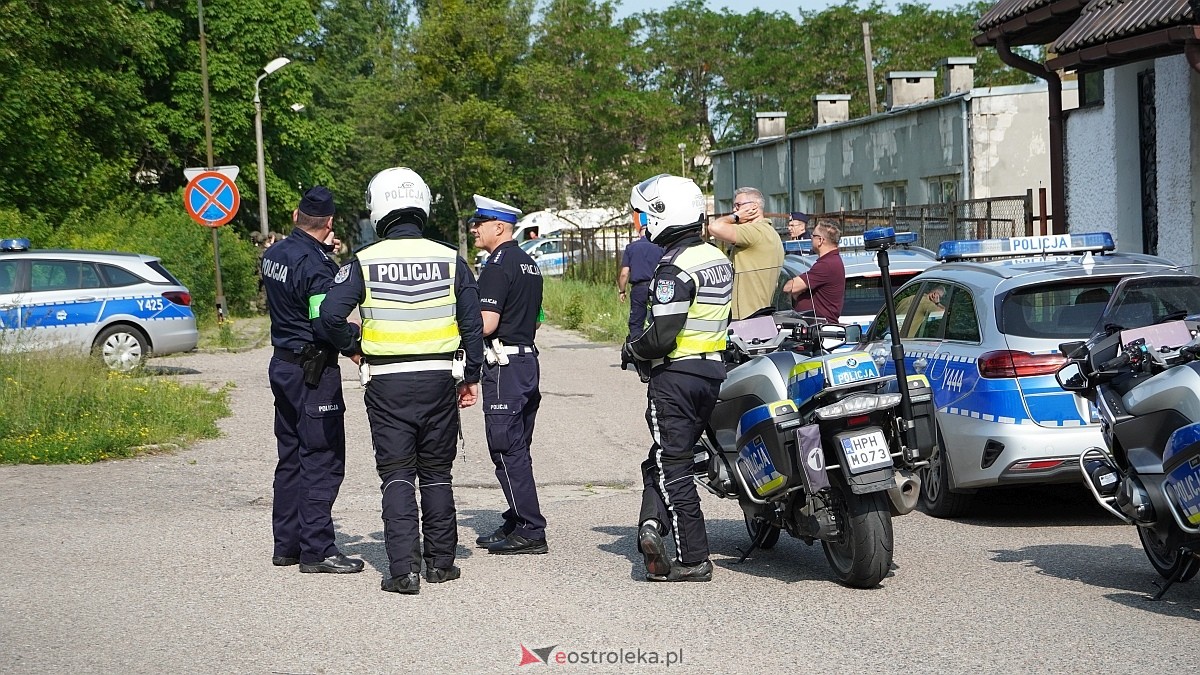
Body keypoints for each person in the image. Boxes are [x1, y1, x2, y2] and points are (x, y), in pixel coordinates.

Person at [320, 167, 485, 595]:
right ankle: (442, 564)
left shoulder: (364, 259)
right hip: (439, 379)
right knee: (436, 473)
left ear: (379, 209)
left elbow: (330, 315)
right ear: (423, 204)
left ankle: (403, 571)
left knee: (396, 474)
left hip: (387, 382)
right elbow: (471, 325)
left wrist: (353, 347)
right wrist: (470, 376)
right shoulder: (451, 259)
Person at [622, 173, 732, 583]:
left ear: (661, 214)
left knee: (674, 466)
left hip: (677, 376)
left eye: (644, 215)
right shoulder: (716, 258)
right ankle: (658, 529)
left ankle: (693, 556)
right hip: (711, 372)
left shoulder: (673, 267)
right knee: (677, 459)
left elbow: (662, 335)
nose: (641, 223)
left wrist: (633, 349)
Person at [261, 186, 364, 576]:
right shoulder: (317, 266)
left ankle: (286, 544)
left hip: (282, 365)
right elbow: (325, 321)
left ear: (295, 215)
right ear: (331, 223)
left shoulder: (274, 254)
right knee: (321, 457)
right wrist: (354, 344)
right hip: (313, 372)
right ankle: (318, 549)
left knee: (290, 456)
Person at [469, 194, 550, 555]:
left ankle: (531, 529)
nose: (474, 229)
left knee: (505, 449)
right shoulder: (528, 263)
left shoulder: (497, 266)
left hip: (503, 367)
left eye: (479, 223)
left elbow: (487, 324)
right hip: (525, 361)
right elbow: (535, 319)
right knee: (519, 447)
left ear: (498, 227)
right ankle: (517, 518)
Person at [707, 186, 784, 320]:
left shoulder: (755, 231)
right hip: (760, 313)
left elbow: (714, 227)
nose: (734, 210)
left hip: (745, 316)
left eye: (738, 206)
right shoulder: (771, 233)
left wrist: (736, 217)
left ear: (754, 207)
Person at [782, 219, 845, 323]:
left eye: (813, 235)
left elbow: (790, 287)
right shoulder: (830, 261)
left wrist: (799, 289)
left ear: (820, 240)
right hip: (815, 328)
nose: (811, 238)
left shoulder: (826, 265)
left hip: (820, 331)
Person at [618, 230, 665, 341]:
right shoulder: (660, 247)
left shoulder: (631, 248)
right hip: (657, 286)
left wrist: (622, 291)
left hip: (638, 288)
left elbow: (624, 274)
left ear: (639, 234)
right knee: (657, 318)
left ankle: (636, 346)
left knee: (636, 321)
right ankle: (655, 345)